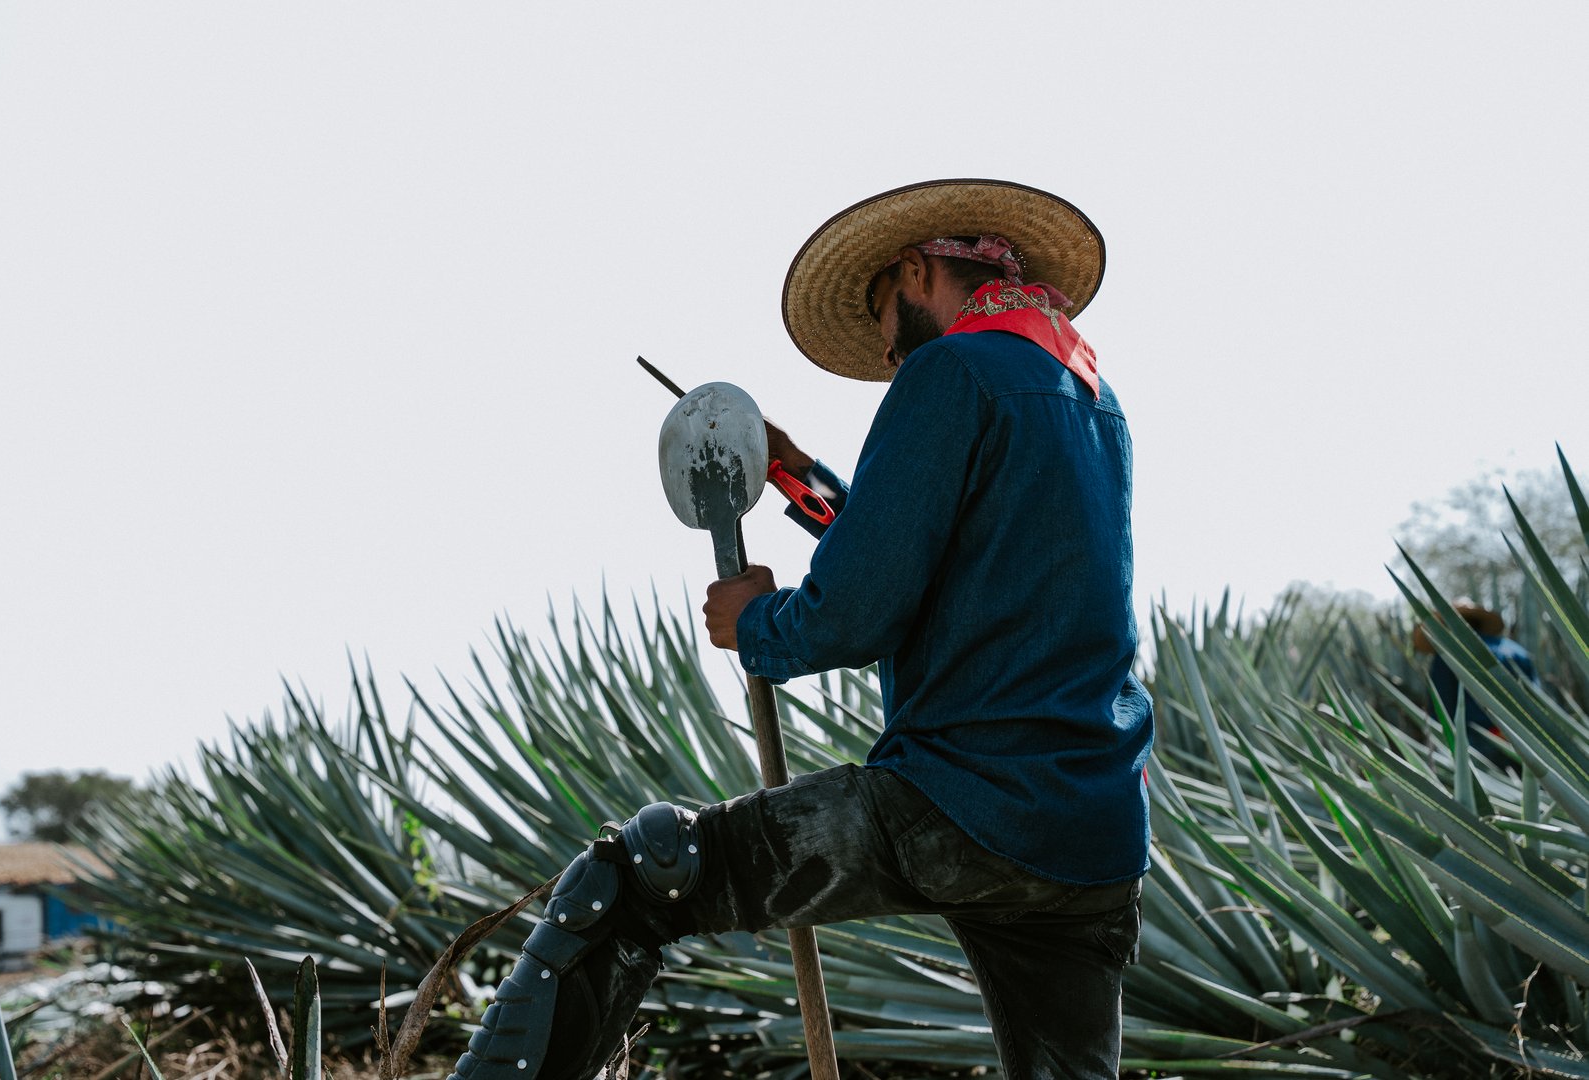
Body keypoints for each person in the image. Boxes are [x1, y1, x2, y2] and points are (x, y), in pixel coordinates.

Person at [448, 179, 1154, 1080]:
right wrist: (789, 471)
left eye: (880, 316)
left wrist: (756, 626)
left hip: (964, 802)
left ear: (912, 269)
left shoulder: (951, 372)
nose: (890, 349)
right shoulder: (1089, 396)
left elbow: (857, 609)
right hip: (1093, 831)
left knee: (639, 877)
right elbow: (946, 562)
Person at [1413, 602, 1539, 769]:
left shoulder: (1446, 656)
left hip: (1478, 742)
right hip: (1526, 740)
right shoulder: (1517, 651)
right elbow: (1537, 701)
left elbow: (1442, 707)